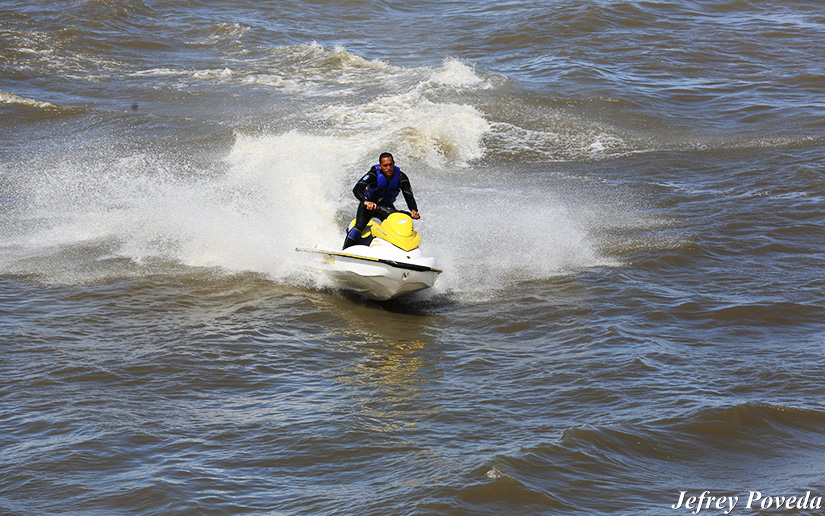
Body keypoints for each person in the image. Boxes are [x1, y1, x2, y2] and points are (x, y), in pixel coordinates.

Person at [343, 152, 420, 249]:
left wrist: (413, 210)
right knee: (359, 227)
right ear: (380, 166)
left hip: (386, 207)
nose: (388, 168)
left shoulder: (401, 177)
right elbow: (357, 188)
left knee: (397, 228)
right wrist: (365, 201)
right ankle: (344, 252)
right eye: (385, 165)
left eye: (390, 164)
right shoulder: (374, 174)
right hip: (369, 206)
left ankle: (402, 253)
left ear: (394, 163)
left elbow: (409, 196)